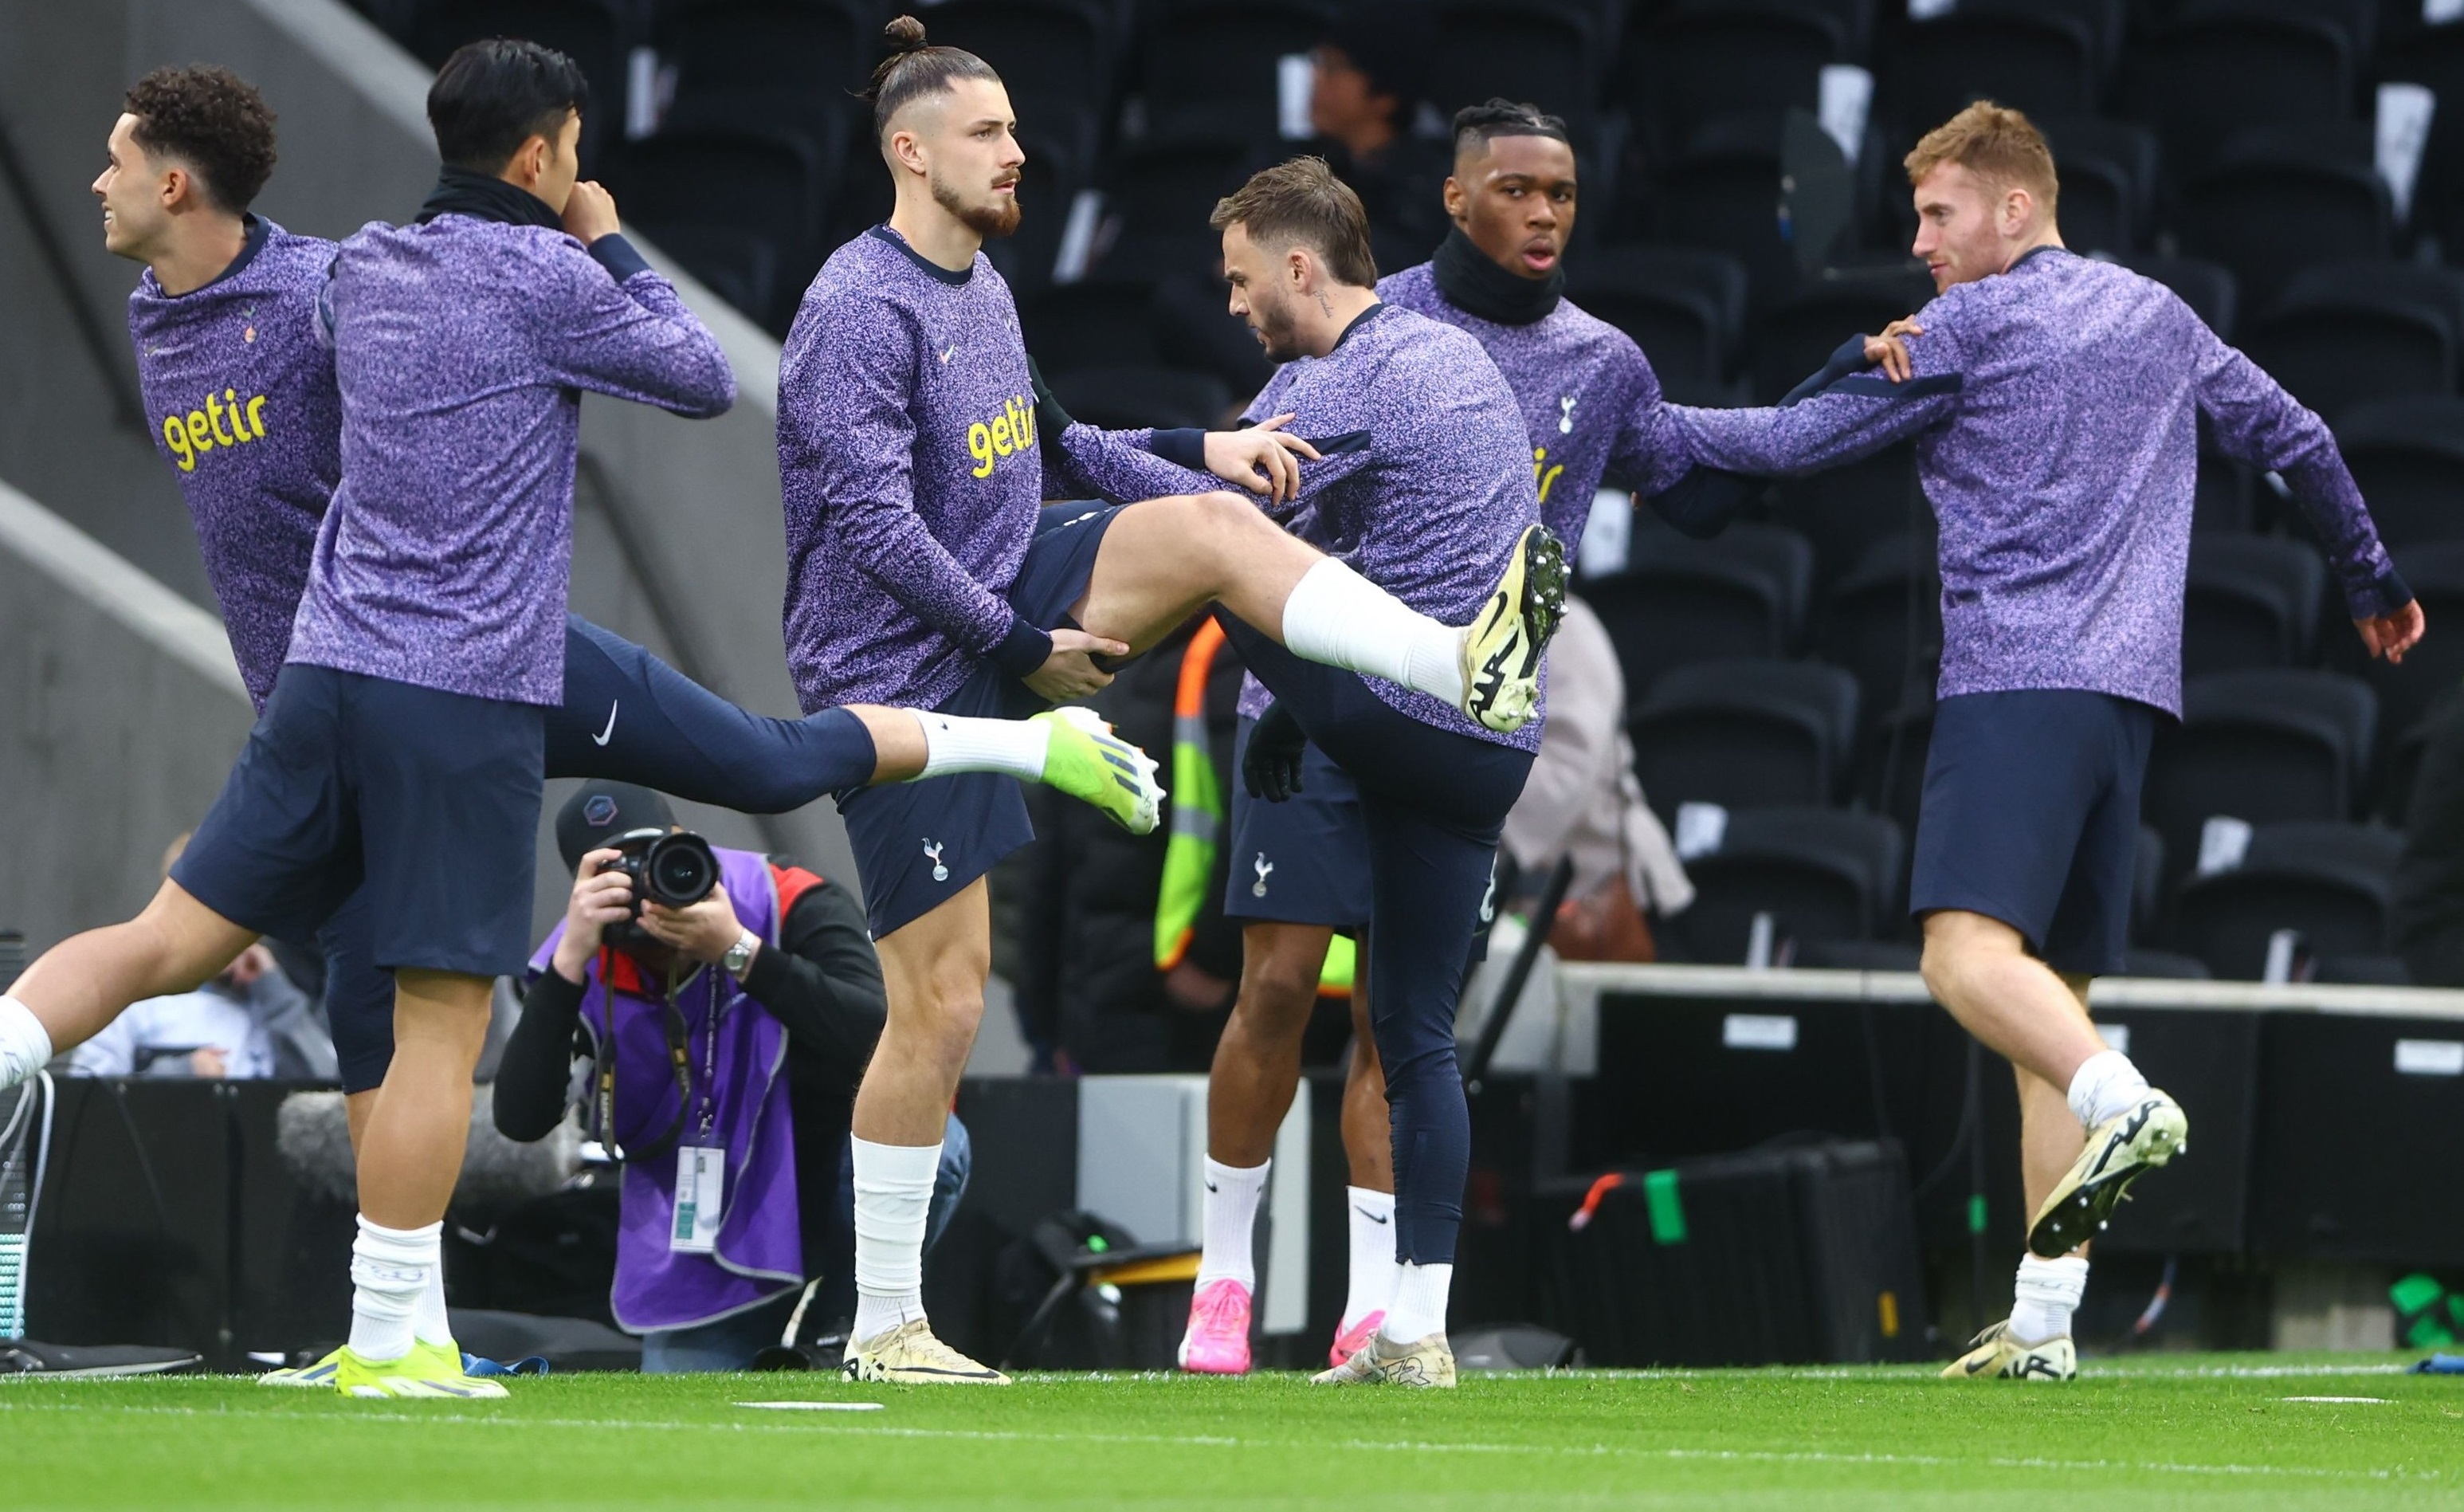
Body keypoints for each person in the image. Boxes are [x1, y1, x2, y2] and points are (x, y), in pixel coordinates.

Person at [13, 57, 1158, 1395]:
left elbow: (302, 336)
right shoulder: (544, 277)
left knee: (170, 942)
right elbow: (688, 371)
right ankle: (390, 1344)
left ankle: (27, 1060)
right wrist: (611, 248)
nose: (95, 178)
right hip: (474, 677)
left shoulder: (364, 268)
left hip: (327, 675)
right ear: (549, 156)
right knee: (482, 990)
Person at [779, 18, 1564, 1386]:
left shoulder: (983, 287)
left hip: (1010, 570)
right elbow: (868, 523)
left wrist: (1210, 446)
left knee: (1213, 526)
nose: (1018, 151)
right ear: (909, 153)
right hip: (902, 659)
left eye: (1015, 128)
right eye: (987, 133)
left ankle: (1451, 660)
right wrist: (1019, 642)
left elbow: (1063, 441)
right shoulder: (859, 302)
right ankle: (883, 1322)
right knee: (945, 1004)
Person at [1658, 101, 2427, 1382]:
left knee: (1961, 965)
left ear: (2015, 209)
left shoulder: (1968, 327)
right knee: (2044, 1014)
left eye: (1939, 213)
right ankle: (2045, 1324)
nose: (1919, 243)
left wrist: (1634, 427)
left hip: (2014, 682)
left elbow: (1786, 449)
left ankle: (2125, 1099)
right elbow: (2300, 435)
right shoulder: (2160, 316)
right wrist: (2369, 577)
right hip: (2129, 706)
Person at [1173, 98, 1744, 1377]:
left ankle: (1380, 1309)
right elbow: (1248, 501)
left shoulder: (1597, 361)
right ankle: (1223, 1280)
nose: (1544, 213)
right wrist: (1266, 693)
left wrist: (1858, 396)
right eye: (1520, 189)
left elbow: (1705, 462)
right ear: (1456, 195)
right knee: (1276, 988)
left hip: (1436, 718)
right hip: (1312, 695)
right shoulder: (1370, 323)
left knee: (1398, 1023)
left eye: (1563, 193)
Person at [1050, 158, 1568, 1388]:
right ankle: (1381, 1324)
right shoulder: (1411, 365)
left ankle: (1345, 1304)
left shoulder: (1361, 378)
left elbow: (1221, 517)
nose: (1229, 305)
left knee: (1212, 557)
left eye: (1240, 280)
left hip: (1381, 712)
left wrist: (1068, 440)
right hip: (1472, 740)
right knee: (1366, 1019)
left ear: (1297, 265)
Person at [492, 782, 967, 1371]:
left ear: (687, 848)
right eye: (618, 876)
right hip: (704, 1232)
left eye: (657, 861)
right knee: (684, 1420)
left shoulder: (782, 897)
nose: (646, 890)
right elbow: (519, 1118)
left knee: (938, 1147)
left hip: (822, 1180)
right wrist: (568, 965)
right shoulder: (581, 955)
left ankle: (835, 1324)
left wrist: (738, 950)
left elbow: (886, 1037)